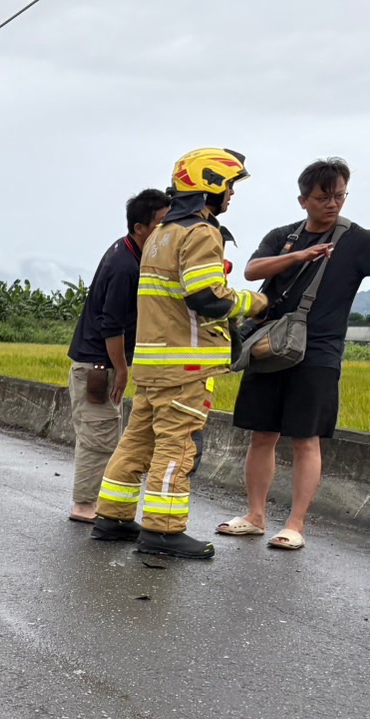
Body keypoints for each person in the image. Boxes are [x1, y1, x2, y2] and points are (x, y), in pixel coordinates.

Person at [92, 148, 270, 559]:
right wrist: (254, 303)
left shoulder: (161, 234)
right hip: (185, 363)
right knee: (178, 445)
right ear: (210, 187)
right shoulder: (200, 233)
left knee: (136, 443)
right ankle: (164, 530)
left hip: (153, 363)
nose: (231, 196)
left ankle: (112, 517)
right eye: (228, 186)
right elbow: (206, 296)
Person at [215, 158, 370, 552]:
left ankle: (295, 524)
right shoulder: (283, 236)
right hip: (270, 345)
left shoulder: (358, 241)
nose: (332, 204)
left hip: (318, 352)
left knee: (306, 439)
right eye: (323, 197)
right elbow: (252, 271)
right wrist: (300, 256)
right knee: (262, 434)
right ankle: (255, 516)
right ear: (303, 200)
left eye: (339, 195)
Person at [65, 188, 170, 523]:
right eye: (161, 224)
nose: (167, 233)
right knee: (98, 440)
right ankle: (85, 505)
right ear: (140, 228)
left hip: (97, 363)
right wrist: (122, 370)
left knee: (100, 436)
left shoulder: (126, 251)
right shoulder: (126, 266)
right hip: (100, 366)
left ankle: (93, 503)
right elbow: (112, 326)